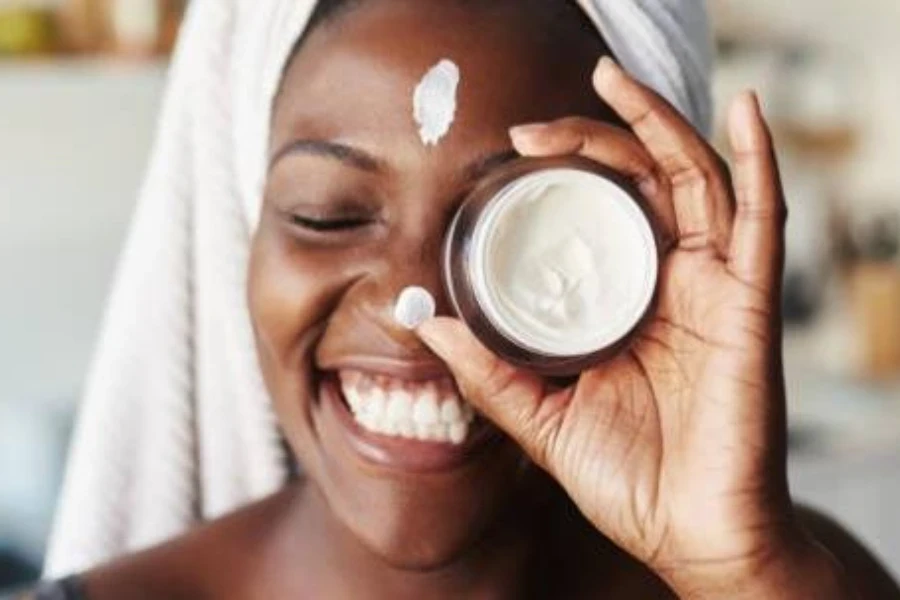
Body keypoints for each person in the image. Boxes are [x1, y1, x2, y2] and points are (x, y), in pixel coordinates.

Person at [27, 0, 900, 597]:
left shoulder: (801, 578)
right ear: (239, 235)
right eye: (325, 216)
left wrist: (743, 576)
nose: (416, 307)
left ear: (656, 245)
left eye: (519, 227)